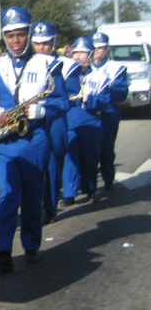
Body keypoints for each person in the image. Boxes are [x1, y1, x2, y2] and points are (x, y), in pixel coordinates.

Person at [0, 7, 67, 273]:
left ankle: (31, 245)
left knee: (32, 195)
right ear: (4, 37)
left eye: (20, 35)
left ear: (29, 34)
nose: (16, 41)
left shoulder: (48, 63)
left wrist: (44, 111)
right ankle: (3, 252)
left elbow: (63, 101)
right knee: (7, 196)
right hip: (5, 141)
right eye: (10, 36)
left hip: (35, 139)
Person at [30, 22, 81, 223]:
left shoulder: (67, 65)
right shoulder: (29, 63)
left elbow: (72, 96)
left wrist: (47, 106)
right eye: (37, 43)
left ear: (54, 41)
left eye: (46, 42)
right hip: (31, 118)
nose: (41, 47)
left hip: (56, 119)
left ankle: (49, 207)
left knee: (52, 164)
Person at [61, 37, 110, 205]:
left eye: (82, 53)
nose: (77, 56)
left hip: (91, 121)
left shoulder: (99, 76)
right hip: (71, 120)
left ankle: (90, 189)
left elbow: (105, 101)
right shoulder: (67, 75)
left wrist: (90, 99)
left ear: (90, 55)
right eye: (75, 52)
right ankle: (69, 193)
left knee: (90, 158)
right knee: (70, 157)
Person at [90, 31, 128, 191]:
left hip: (108, 112)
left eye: (101, 47)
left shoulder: (116, 68)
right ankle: (88, 184)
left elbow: (122, 93)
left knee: (106, 148)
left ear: (107, 48)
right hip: (88, 112)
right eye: (95, 47)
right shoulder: (83, 66)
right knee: (88, 149)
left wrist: (105, 92)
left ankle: (108, 178)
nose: (97, 50)